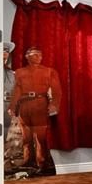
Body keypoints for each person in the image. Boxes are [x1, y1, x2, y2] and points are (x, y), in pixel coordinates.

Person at [9, 46, 62, 175]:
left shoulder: (49, 72)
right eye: (35, 54)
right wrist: (12, 106)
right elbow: (17, 91)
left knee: (40, 136)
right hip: (24, 105)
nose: (39, 57)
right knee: (26, 137)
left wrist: (54, 105)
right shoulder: (19, 72)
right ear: (27, 57)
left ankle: (41, 163)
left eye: (40, 54)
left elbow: (57, 91)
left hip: (40, 104)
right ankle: (28, 160)